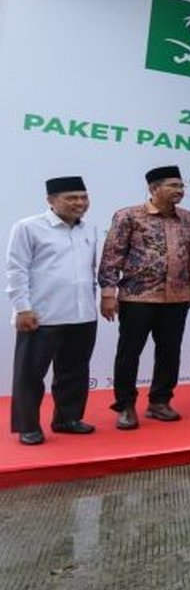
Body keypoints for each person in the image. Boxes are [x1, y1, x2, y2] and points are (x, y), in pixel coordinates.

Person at [99, 165, 190, 430]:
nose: (180, 191)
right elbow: (112, 256)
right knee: (129, 353)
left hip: (176, 297)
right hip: (137, 297)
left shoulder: (189, 219)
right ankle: (126, 406)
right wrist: (108, 293)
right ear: (154, 188)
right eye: (173, 186)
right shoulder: (128, 216)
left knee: (170, 352)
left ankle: (160, 402)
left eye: (181, 186)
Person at [6, 176, 98, 445]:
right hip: (40, 316)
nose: (79, 203)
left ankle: (67, 419)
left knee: (74, 372)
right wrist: (23, 308)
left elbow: (89, 271)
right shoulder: (28, 227)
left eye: (83, 197)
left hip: (82, 315)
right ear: (51, 201)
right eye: (72, 198)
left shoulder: (89, 230)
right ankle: (28, 426)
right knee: (30, 374)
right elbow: (16, 269)